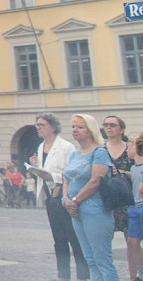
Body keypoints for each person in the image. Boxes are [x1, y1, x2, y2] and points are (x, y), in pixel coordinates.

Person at [30, 112, 90, 281]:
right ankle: (63, 275)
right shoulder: (41, 147)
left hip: (65, 196)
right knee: (59, 240)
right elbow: (44, 171)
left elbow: (71, 173)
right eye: (37, 125)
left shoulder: (66, 147)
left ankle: (82, 276)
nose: (39, 128)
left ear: (53, 127)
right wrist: (35, 167)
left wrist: (52, 177)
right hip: (50, 198)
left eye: (42, 125)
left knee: (74, 238)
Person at [63, 113, 117, 281]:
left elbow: (95, 181)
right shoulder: (75, 154)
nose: (75, 130)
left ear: (90, 130)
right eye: (73, 127)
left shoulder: (99, 152)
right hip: (75, 210)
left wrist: (76, 200)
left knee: (102, 259)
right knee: (90, 259)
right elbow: (66, 179)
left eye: (80, 127)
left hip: (94, 208)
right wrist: (66, 200)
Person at [104, 115, 133, 244]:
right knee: (105, 239)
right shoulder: (100, 150)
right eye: (106, 125)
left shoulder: (131, 149)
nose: (109, 127)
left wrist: (124, 173)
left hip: (127, 197)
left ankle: (133, 265)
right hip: (107, 197)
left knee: (132, 241)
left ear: (122, 130)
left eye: (112, 125)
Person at [127, 132, 143, 281]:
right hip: (134, 208)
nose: (126, 150)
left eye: (128, 147)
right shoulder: (133, 168)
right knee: (132, 242)